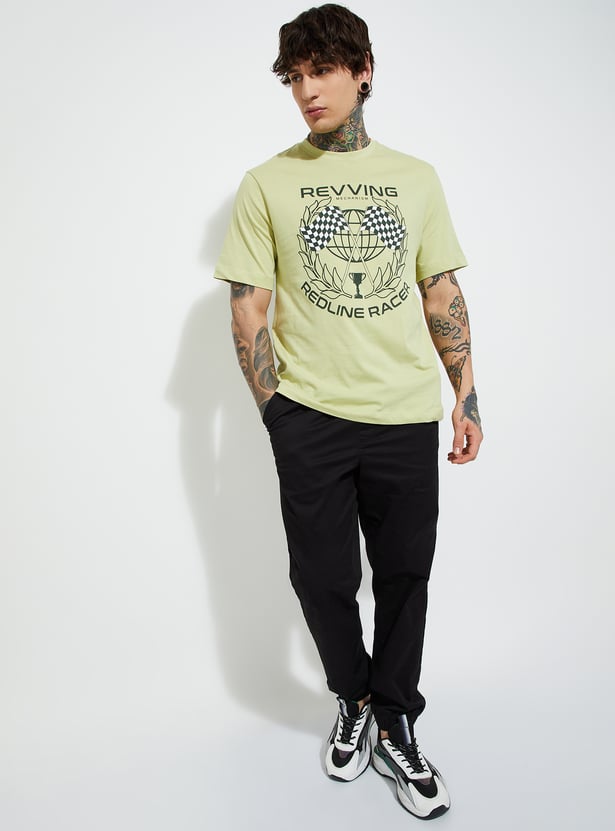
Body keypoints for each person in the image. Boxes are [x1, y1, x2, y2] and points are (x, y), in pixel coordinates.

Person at [214, 3, 482, 820]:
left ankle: (395, 717)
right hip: (311, 417)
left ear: (363, 72)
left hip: (403, 413)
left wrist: (466, 395)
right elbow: (248, 306)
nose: (307, 91)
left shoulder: (416, 178)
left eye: (323, 71)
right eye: (295, 77)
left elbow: (439, 290)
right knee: (321, 577)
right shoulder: (267, 182)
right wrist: (278, 414)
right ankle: (353, 696)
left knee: (404, 576)